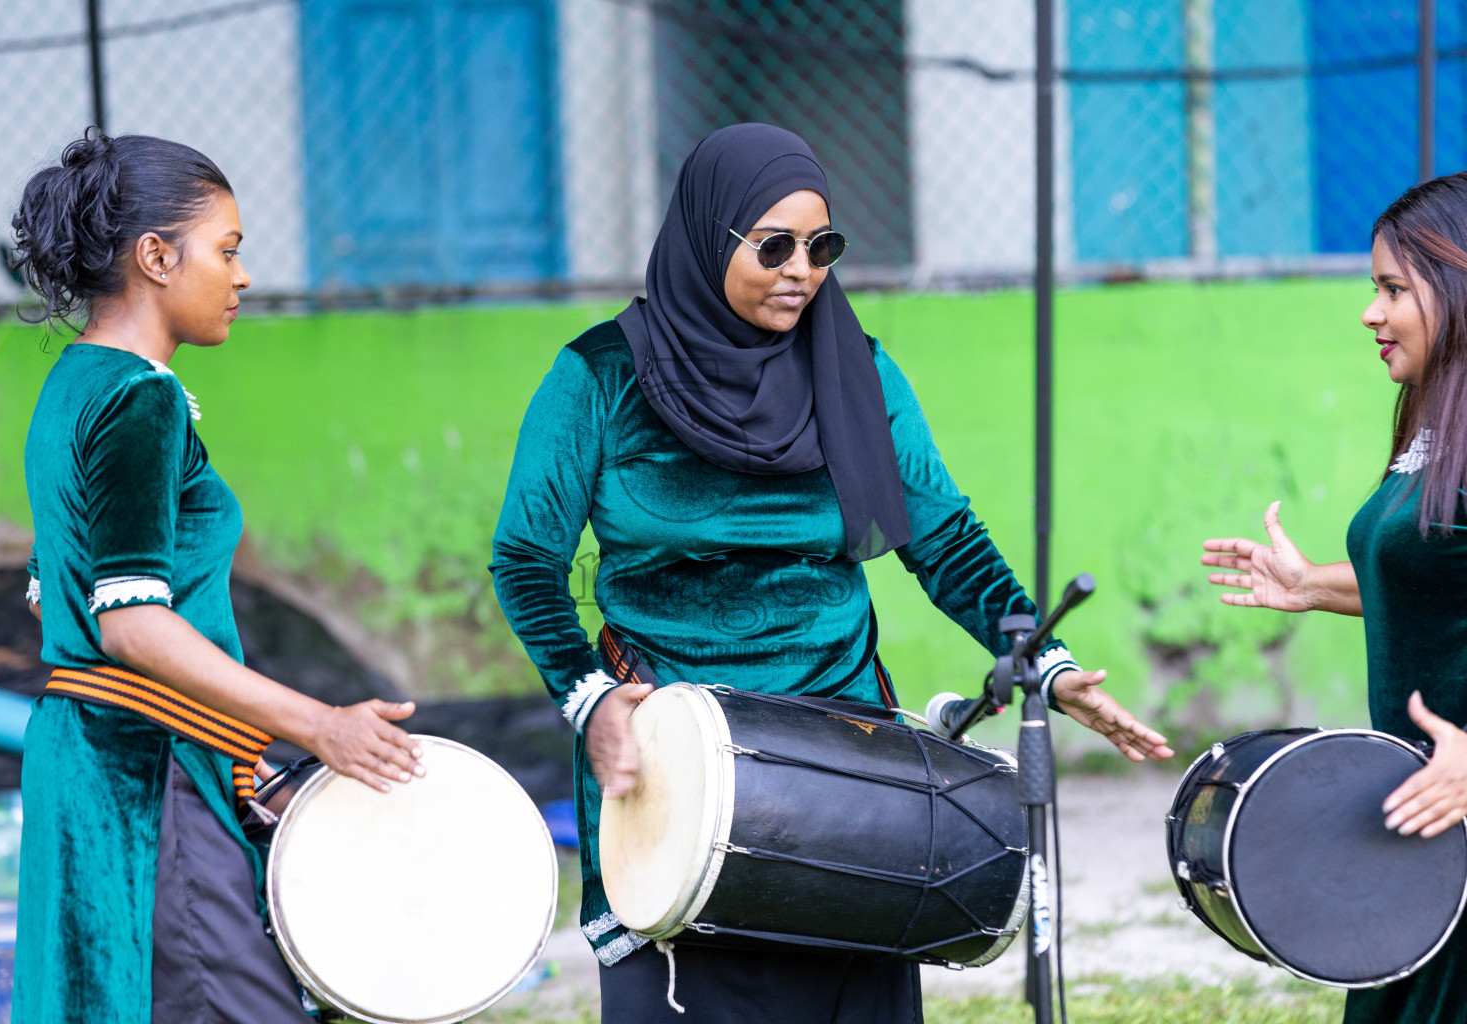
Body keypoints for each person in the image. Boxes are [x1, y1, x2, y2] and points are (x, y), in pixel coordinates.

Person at [491, 123, 1172, 1024]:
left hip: (844, 756)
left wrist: (1044, 660)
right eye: (773, 245)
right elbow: (526, 558)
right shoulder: (600, 378)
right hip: (672, 752)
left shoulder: (858, 371)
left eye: (823, 247)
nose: (801, 270)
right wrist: (590, 696)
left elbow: (947, 539)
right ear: (707, 236)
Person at [10, 130, 426, 1024]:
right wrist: (319, 725)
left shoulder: (74, 384)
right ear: (156, 256)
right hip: (142, 775)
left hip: (97, 759)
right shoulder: (138, 398)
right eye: (228, 251)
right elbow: (130, 625)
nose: (242, 277)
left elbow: (72, 599)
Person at [1203, 172, 1467, 1024]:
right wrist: (1313, 585)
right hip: (1424, 823)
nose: (1371, 313)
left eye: (1393, 288)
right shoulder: (1434, 417)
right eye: (1373, 289)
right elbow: (1440, 573)